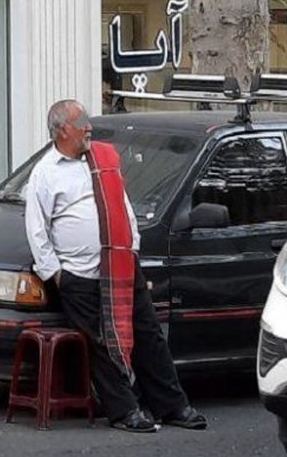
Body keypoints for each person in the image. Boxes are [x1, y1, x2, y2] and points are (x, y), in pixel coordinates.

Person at [24, 99, 208, 434]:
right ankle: (125, 410)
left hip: (121, 266)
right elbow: (38, 229)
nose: (89, 132)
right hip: (79, 275)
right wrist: (57, 274)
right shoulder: (45, 173)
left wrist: (132, 249)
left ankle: (172, 406)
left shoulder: (102, 160)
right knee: (101, 343)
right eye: (84, 127)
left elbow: (122, 206)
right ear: (63, 130)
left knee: (149, 334)